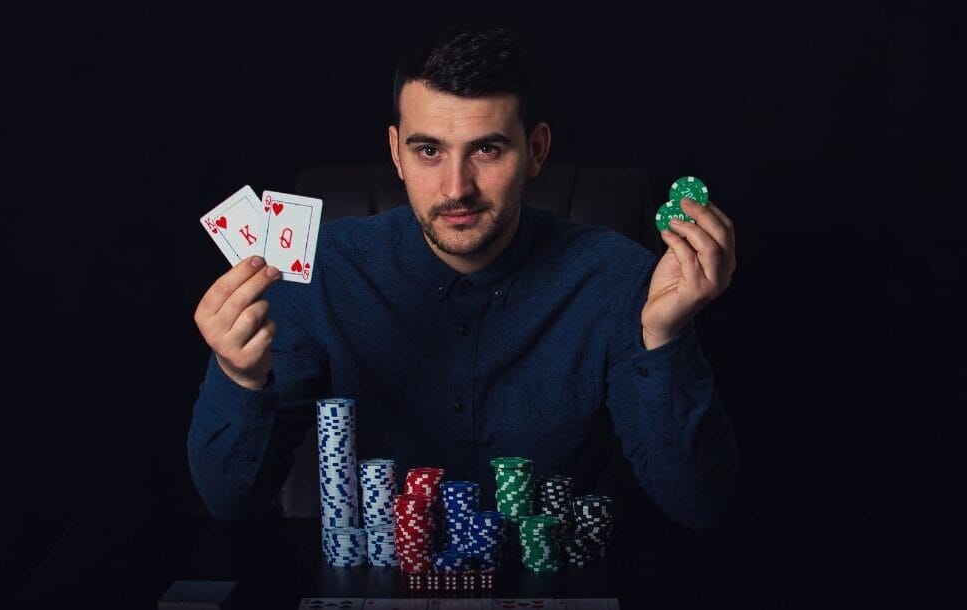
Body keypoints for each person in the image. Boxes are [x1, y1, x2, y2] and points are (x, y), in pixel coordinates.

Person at [188, 23, 738, 530]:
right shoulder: (320, 272)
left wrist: (665, 340)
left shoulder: (619, 279)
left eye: (487, 150)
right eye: (428, 150)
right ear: (396, 154)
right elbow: (230, 502)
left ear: (536, 151)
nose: (456, 188)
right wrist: (238, 376)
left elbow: (699, 504)